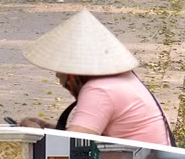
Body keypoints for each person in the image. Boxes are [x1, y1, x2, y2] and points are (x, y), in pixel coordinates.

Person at [18, 9, 174, 145]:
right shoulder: (121, 78)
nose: (58, 75)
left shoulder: (99, 89)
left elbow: (71, 146)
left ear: (73, 69)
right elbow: (83, 134)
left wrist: (35, 135)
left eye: (60, 69)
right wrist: (48, 128)